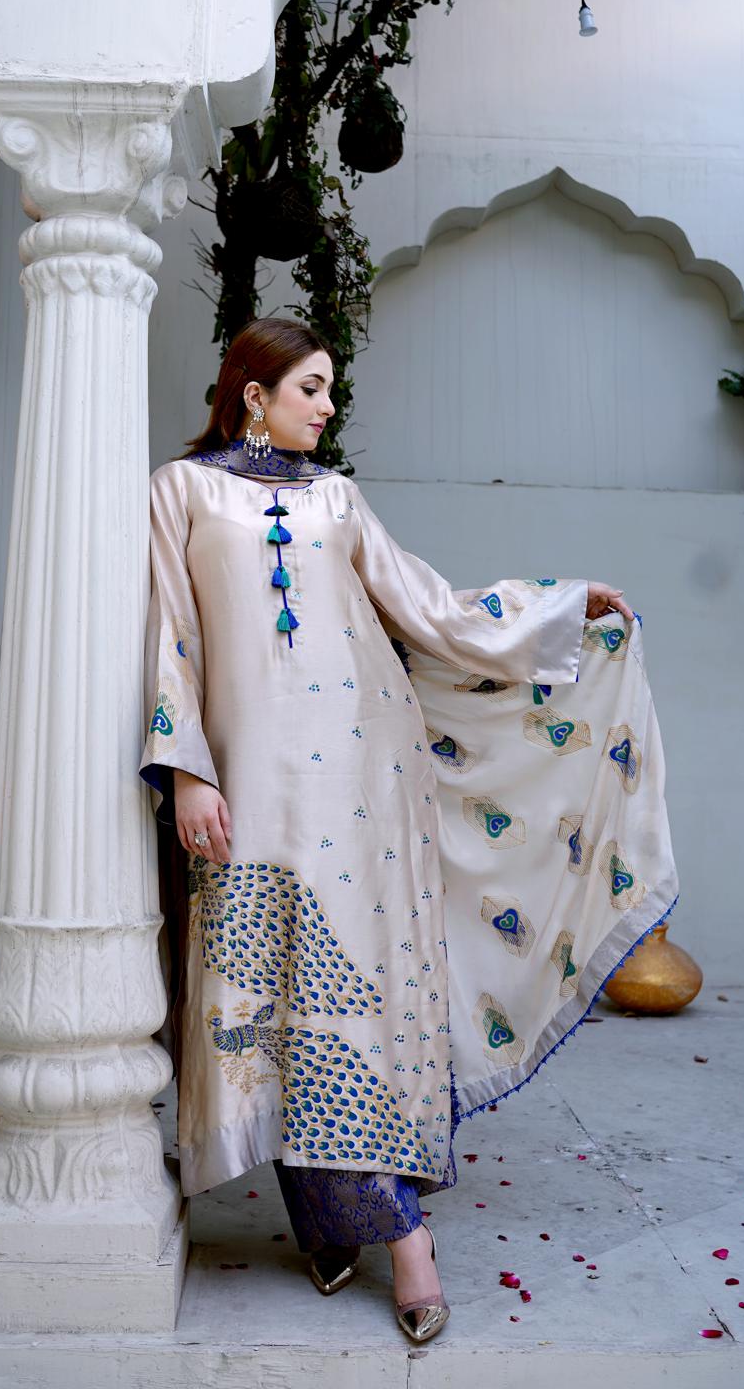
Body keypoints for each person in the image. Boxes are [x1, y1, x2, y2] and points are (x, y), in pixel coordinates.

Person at [139, 315, 678, 1343]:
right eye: (310, 387)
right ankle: (326, 1218)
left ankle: (401, 1237)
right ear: (253, 393)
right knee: (271, 987)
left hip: (362, 777)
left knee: (354, 998)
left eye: (327, 388)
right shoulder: (183, 491)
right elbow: (169, 632)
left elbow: (427, 607)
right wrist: (188, 769)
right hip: (245, 784)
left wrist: (559, 607)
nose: (327, 404)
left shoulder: (337, 498)